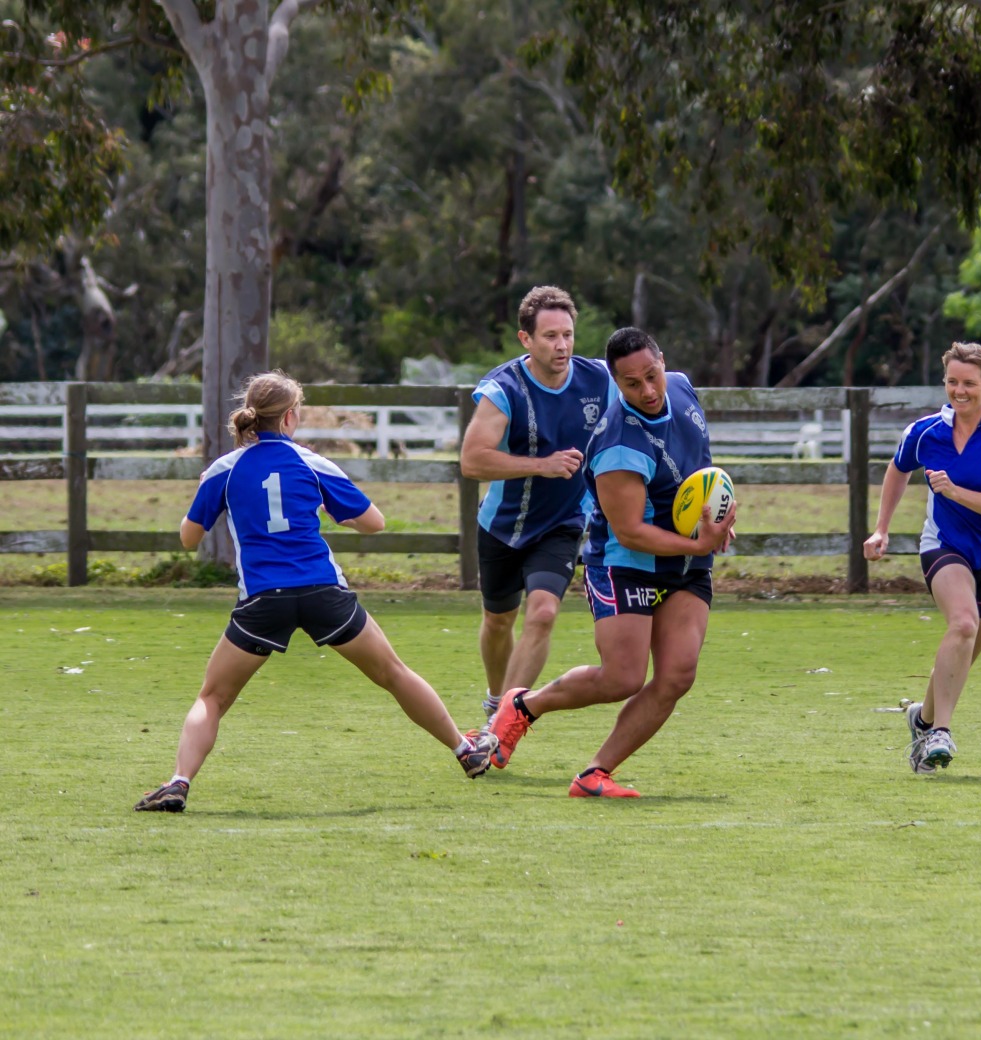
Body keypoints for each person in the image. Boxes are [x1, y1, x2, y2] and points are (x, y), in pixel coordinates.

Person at [134, 372, 497, 812]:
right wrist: (330, 509)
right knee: (393, 674)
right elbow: (374, 522)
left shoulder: (223, 470)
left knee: (213, 697)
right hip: (324, 592)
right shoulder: (312, 462)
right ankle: (465, 750)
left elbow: (189, 539)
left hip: (264, 600)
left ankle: (178, 782)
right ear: (290, 417)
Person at [486, 327, 734, 797]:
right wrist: (701, 545)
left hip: (684, 562)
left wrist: (714, 511)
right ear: (616, 385)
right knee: (622, 677)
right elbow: (630, 532)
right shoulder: (619, 445)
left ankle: (595, 773)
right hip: (626, 563)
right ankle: (524, 705)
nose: (647, 390)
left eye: (652, 375)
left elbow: (697, 468)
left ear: (663, 362)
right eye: (632, 384)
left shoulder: (682, 388)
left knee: (678, 674)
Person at [863, 342, 981, 773]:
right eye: (952, 381)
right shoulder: (924, 431)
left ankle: (922, 719)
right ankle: (941, 733)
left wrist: (955, 491)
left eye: (970, 383)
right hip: (944, 545)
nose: (959, 390)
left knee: (960, 653)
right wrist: (881, 528)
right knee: (963, 624)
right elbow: (898, 468)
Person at [460, 286, 615, 720]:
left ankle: (504, 721)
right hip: (503, 526)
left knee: (544, 613)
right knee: (498, 621)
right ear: (525, 339)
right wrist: (542, 465)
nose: (562, 345)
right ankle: (496, 697)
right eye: (549, 336)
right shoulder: (503, 388)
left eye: (567, 334)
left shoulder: (600, 380)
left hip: (564, 521)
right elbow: (472, 461)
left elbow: (649, 396)